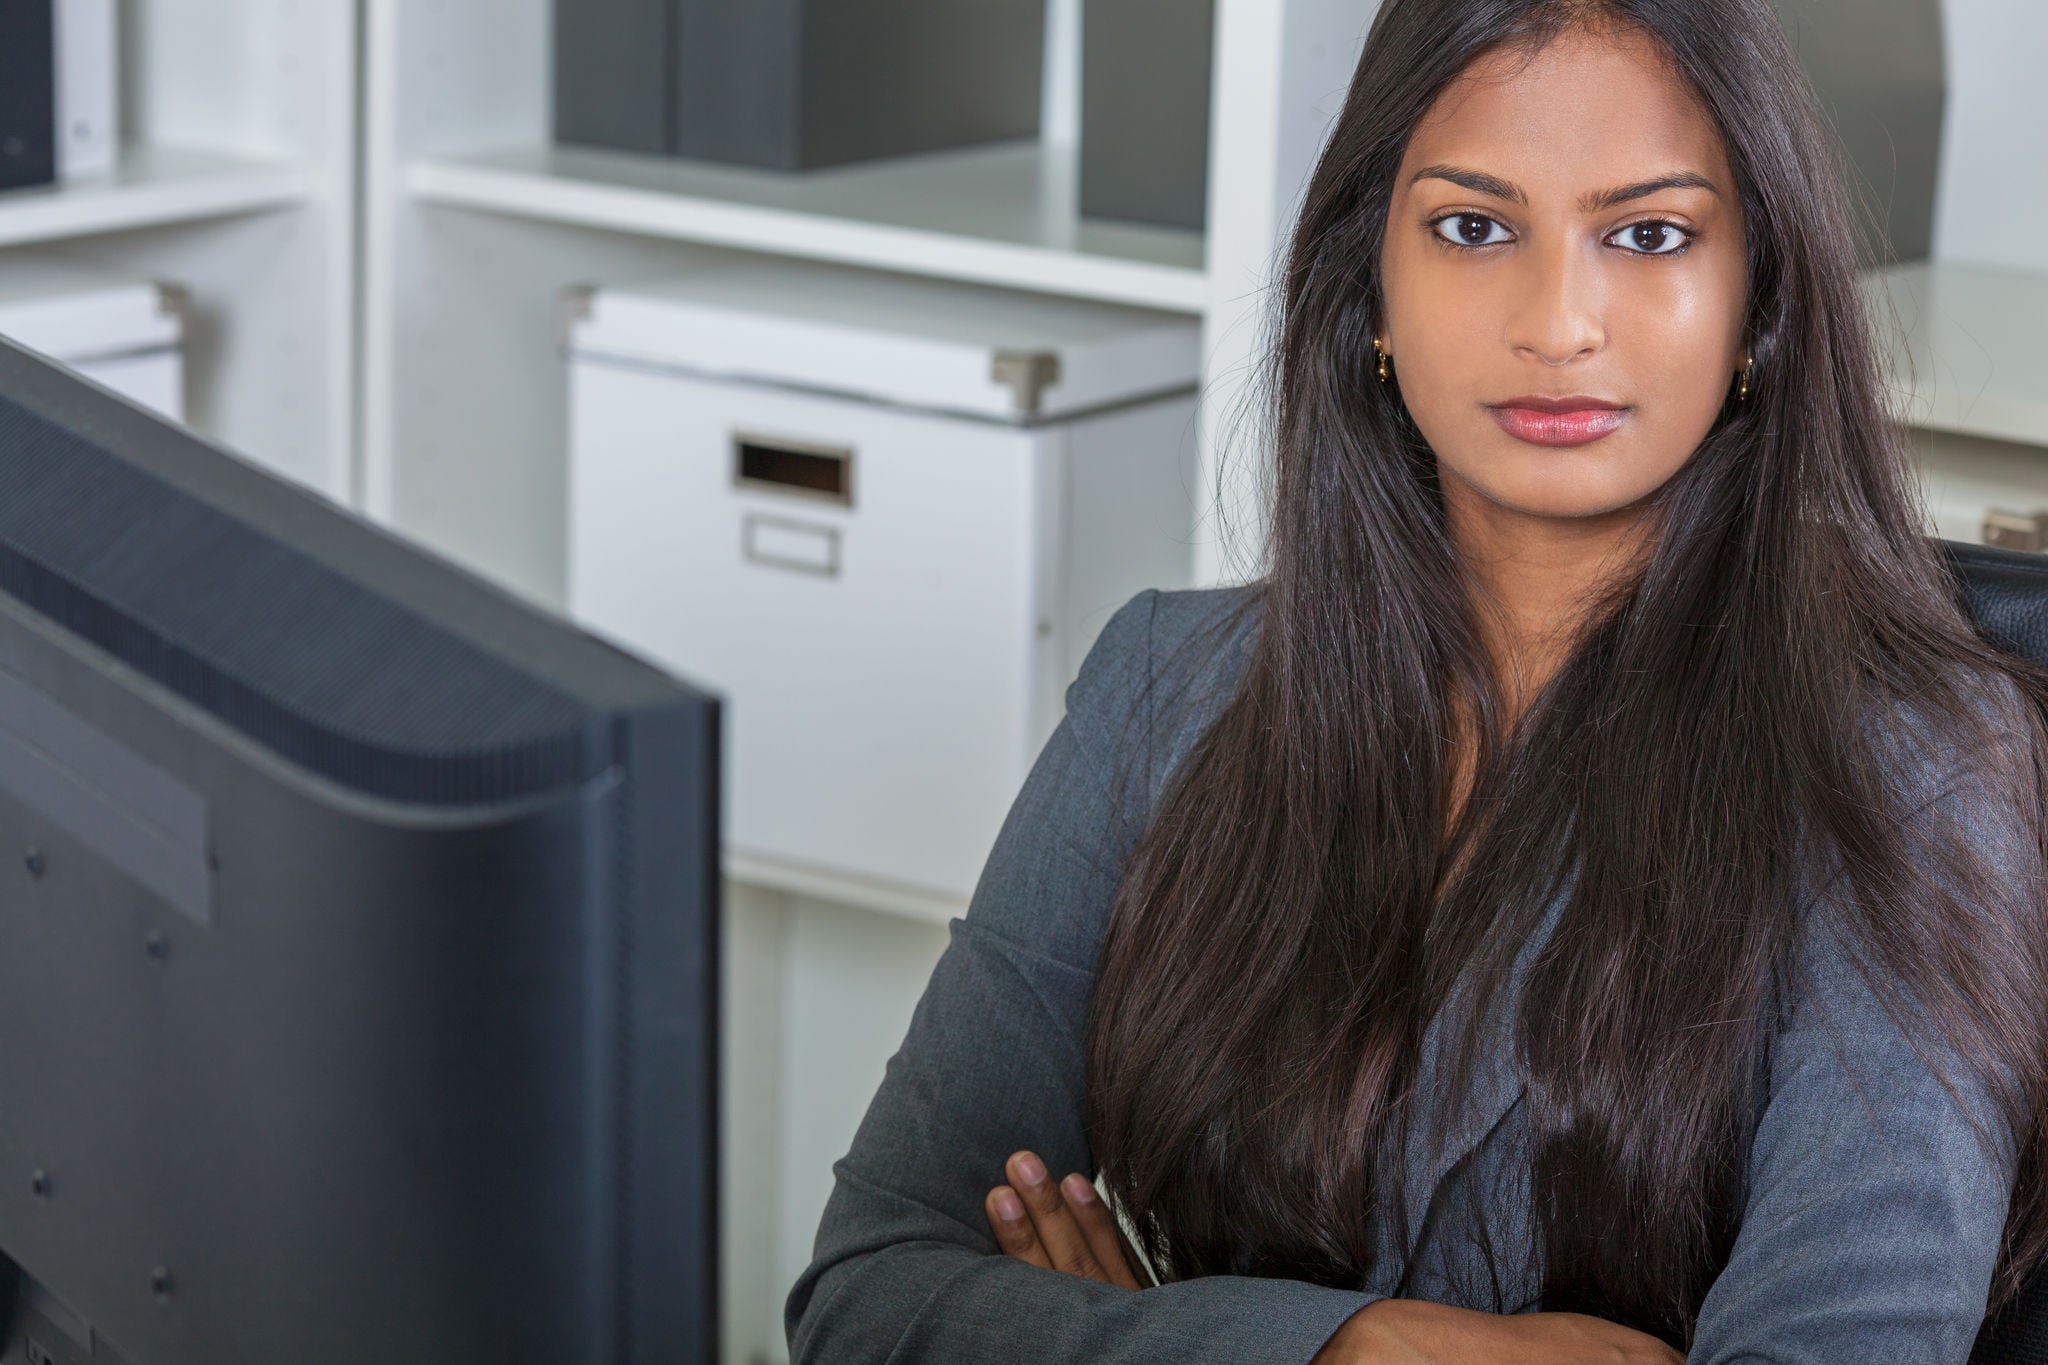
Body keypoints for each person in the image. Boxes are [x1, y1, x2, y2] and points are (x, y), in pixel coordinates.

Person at [784, 0, 2048, 1359]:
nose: (1560, 321)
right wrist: (1357, 1347)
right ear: (1368, 284)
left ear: (1760, 304)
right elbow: (867, 1296)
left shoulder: (1917, 761)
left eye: (1650, 233)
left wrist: (1139, 1336)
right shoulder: (1162, 686)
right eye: (1473, 226)